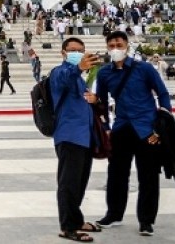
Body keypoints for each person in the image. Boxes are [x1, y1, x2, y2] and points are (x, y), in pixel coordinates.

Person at [96, 31, 172, 237]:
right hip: (121, 128)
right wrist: (106, 128)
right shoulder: (104, 73)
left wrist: (162, 125)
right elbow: (101, 103)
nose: (115, 49)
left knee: (148, 176)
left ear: (127, 46)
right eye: (111, 45)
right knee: (116, 174)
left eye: (118, 44)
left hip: (147, 129)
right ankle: (114, 214)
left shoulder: (144, 69)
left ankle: (146, 220)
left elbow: (162, 94)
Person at [51, 37, 101, 242]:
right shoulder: (59, 72)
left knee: (80, 181)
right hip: (69, 135)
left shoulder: (80, 77)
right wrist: (78, 67)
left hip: (84, 136)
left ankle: (76, 219)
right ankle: (67, 227)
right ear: (64, 53)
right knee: (68, 183)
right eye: (73, 50)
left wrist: (95, 99)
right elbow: (65, 79)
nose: (78, 53)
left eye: (81, 50)